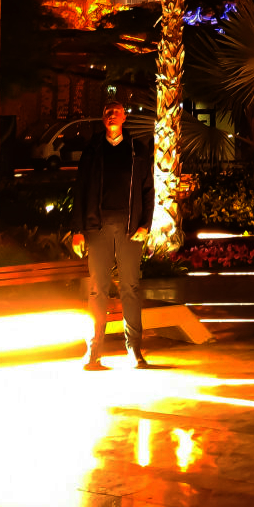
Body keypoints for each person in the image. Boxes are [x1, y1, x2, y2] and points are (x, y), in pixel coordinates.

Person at [70, 97, 154, 370]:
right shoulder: (93, 149)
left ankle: (135, 350)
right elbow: (81, 189)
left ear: (124, 117)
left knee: (130, 288)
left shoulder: (137, 149)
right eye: (108, 111)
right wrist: (77, 230)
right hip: (98, 227)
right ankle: (94, 351)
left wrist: (145, 224)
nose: (112, 115)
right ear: (103, 117)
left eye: (117, 111)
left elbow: (148, 190)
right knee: (98, 290)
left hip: (130, 229)